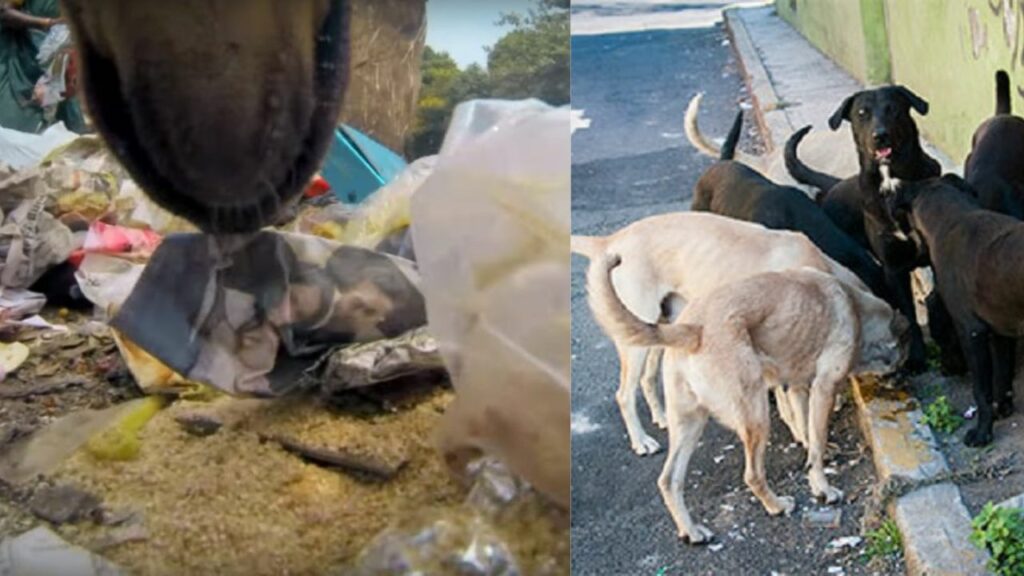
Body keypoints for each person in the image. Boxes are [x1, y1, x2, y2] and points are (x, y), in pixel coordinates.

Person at [0, 0, 84, 133]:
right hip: (22, 57)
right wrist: (48, 23)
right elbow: (4, 12)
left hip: (60, 56)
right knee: (21, 126)